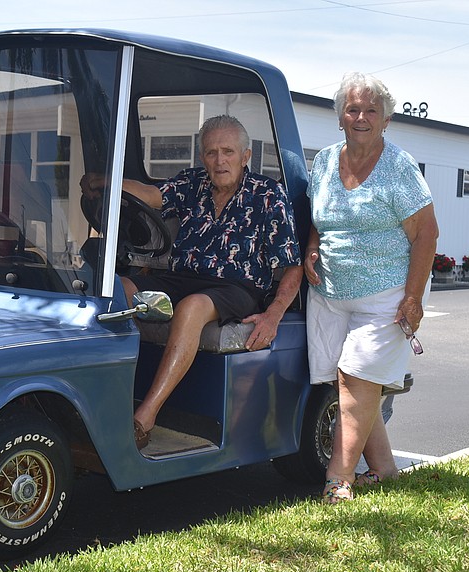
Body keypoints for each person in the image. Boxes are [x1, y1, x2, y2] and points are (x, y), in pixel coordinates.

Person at [81, 115, 303, 450]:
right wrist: (107, 181)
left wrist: (273, 315)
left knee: (192, 306)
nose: (219, 160)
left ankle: (144, 418)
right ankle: (106, 401)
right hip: (182, 276)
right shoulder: (193, 183)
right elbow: (149, 194)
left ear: (245, 157)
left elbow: (292, 266)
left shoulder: (268, 195)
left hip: (238, 287)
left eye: (228, 151)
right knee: (119, 289)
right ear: (202, 157)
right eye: (211, 152)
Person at [304, 73, 439, 503]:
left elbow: (427, 234)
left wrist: (413, 298)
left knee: (355, 377)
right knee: (354, 384)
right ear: (340, 117)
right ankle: (383, 471)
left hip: (388, 292)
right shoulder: (325, 160)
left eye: (371, 110)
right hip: (330, 291)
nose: (361, 117)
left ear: (385, 120)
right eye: (353, 109)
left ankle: (337, 481)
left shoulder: (398, 166)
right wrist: (311, 247)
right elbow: (316, 214)